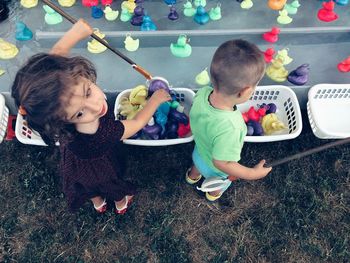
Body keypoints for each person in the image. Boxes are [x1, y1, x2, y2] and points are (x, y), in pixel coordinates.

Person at [11, 19, 171, 214]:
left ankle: (98, 203)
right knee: (109, 185)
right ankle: (121, 203)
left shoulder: (57, 107)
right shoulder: (100, 132)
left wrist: (74, 34)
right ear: (62, 121)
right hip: (99, 166)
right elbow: (137, 123)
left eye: (87, 92)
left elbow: (53, 66)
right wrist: (155, 101)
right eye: (80, 113)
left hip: (74, 162)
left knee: (85, 187)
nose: (96, 107)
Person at [186, 39, 272, 201]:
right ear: (245, 91)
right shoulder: (232, 127)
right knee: (219, 184)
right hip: (215, 171)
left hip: (199, 153)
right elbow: (222, 162)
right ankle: (212, 194)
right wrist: (252, 173)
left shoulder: (203, 93)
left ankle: (192, 176)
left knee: (197, 165)